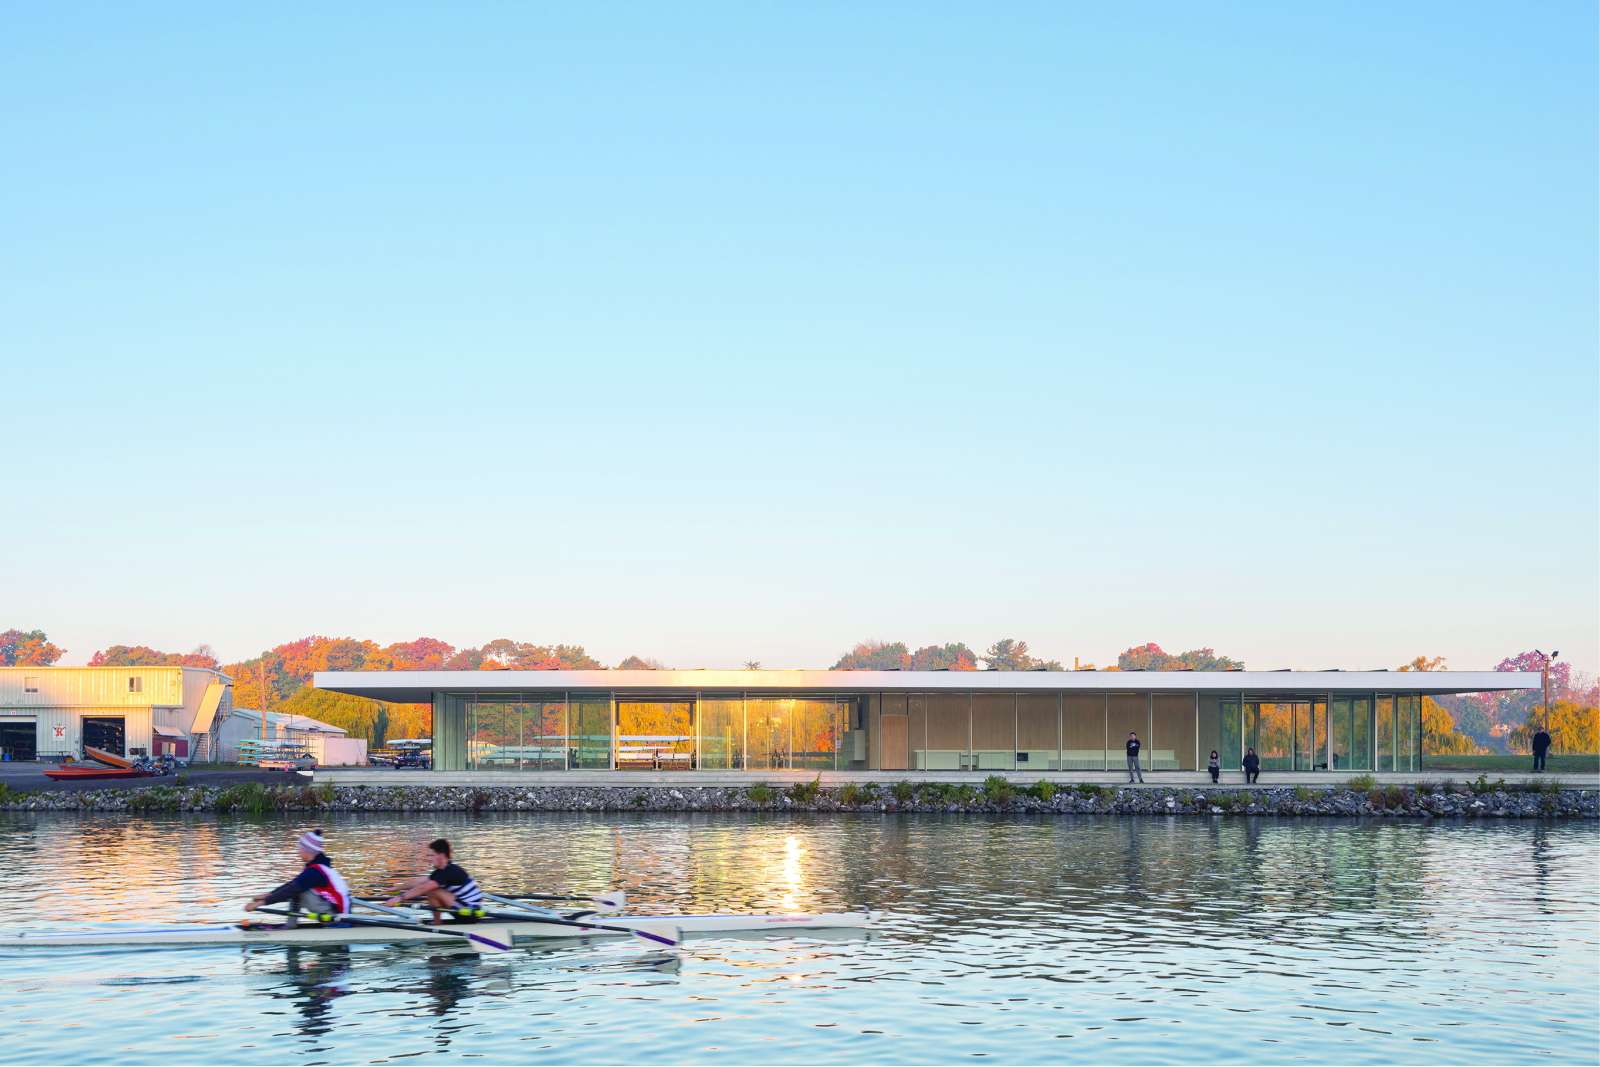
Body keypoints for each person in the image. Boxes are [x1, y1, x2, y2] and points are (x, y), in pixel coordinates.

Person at [245, 829, 350, 922]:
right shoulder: (317, 867)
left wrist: (259, 903)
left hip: (339, 918)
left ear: (309, 852)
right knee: (296, 888)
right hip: (335, 910)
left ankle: (290, 928)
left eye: (300, 849)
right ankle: (290, 927)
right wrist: (267, 895)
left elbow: (291, 889)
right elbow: (293, 883)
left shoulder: (316, 871)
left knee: (298, 891)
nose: (298, 852)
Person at [385, 838, 485, 924]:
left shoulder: (450, 871)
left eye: (432, 855)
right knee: (430, 888)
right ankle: (437, 922)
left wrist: (399, 898)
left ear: (441, 856)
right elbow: (418, 882)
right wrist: (395, 888)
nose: (430, 859)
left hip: (469, 913)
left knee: (432, 890)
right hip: (461, 908)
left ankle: (437, 924)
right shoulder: (441, 871)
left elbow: (423, 888)